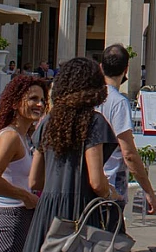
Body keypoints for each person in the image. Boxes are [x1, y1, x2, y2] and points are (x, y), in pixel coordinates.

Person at [22, 57, 122, 252]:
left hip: (47, 212)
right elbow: (96, 182)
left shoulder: (47, 122)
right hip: (80, 209)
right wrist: (112, 193)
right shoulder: (94, 122)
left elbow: (34, 181)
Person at [0, 76, 49, 252]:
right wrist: (26, 197)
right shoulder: (10, 137)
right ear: (15, 103)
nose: (40, 104)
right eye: (33, 99)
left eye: (42, 99)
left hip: (22, 217)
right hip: (12, 220)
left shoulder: (23, 136)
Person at [96, 44, 156, 220]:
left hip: (88, 179)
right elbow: (129, 153)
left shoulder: (89, 97)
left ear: (101, 67)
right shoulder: (118, 102)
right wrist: (148, 190)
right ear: (126, 69)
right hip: (111, 181)